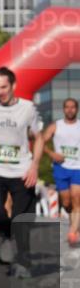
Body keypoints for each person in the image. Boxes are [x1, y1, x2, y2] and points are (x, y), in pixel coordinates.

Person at [0, 66, 45, 277]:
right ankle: (6, 236)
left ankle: (22, 262)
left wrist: (34, 166)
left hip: (22, 170)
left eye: (4, 87)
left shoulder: (28, 108)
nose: (0, 92)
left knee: (20, 219)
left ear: (13, 85)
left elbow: (39, 137)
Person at [43, 98, 80, 247]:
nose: (70, 110)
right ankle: (74, 222)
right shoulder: (55, 126)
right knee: (66, 202)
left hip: (78, 167)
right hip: (60, 167)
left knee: (76, 197)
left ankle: (73, 232)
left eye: (73, 107)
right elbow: (41, 142)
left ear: (76, 109)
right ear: (63, 109)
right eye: (67, 107)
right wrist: (52, 154)